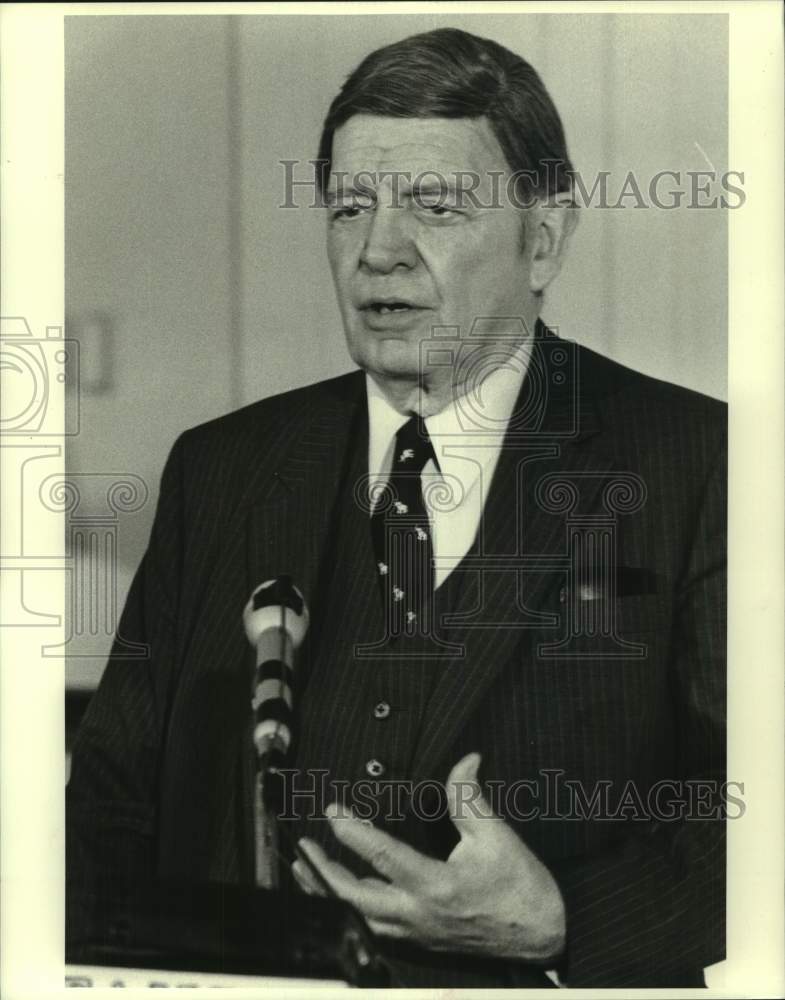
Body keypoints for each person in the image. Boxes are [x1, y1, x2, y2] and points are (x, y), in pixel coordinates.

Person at [67, 28, 726, 988]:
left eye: (433, 205)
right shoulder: (222, 470)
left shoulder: (697, 463)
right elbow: (109, 813)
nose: (377, 251)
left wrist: (560, 920)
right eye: (348, 208)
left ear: (541, 239)